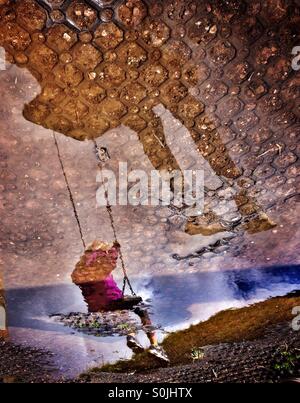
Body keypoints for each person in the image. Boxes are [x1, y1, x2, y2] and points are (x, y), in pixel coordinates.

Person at [71, 240, 169, 362]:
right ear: (101, 252)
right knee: (140, 308)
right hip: (112, 299)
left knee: (121, 312)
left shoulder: (79, 271)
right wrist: (115, 248)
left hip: (96, 307)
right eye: (104, 251)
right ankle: (154, 345)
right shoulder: (102, 265)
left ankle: (131, 336)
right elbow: (112, 258)